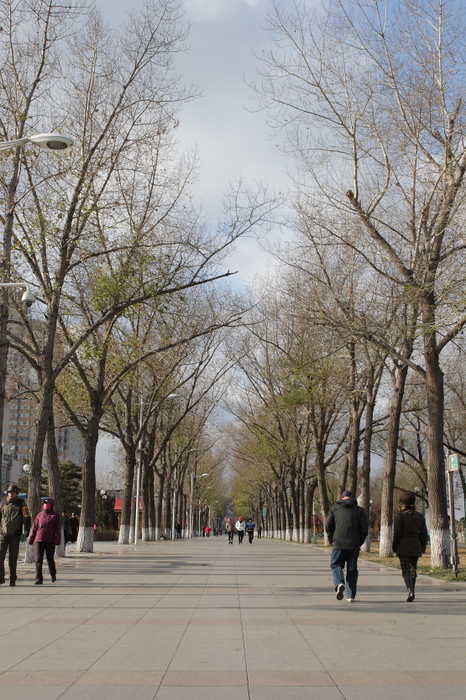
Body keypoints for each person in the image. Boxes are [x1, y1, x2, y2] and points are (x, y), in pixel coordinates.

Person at [325, 490, 368, 602]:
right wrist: (359, 542)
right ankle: (350, 596)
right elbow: (364, 530)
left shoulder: (334, 508)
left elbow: (328, 526)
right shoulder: (360, 511)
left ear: (342, 498)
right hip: (354, 545)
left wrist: (331, 540)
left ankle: (339, 583)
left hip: (338, 543)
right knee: (352, 569)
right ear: (352, 498)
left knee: (335, 564)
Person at [392, 492, 429, 602]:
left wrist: (394, 546)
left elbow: (397, 534)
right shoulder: (420, 516)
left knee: (405, 570)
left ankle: (410, 589)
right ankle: (412, 590)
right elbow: (424, 534)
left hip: (403, 546)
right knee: (413, 568)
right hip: (416, 546)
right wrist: (422, 547)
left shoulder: (399, 516)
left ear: (403, 504)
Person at [0, 484, 30, 587]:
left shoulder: (21, 503)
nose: (11, 494)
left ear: (16, 493)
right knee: (0, 556)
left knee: (12, 559)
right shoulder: (3, 503)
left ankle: (12, 579)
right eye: (9, 492)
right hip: (3, 534)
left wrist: (27, 529)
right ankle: (1, 577)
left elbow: (26, 516)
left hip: (15, 535)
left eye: (13, 492)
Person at [28, 497, 61, 585]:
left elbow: (57, 529)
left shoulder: (55, 515)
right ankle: (38, 578)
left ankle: (53, 575)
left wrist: (57, 540)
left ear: (51, 505)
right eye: (44, 504)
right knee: (38, 560)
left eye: (48, 504)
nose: (46, 505)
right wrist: (31, 539)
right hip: (39, 540)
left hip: (50, 541)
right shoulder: (39, 515)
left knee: (50, 559)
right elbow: (34, 528)